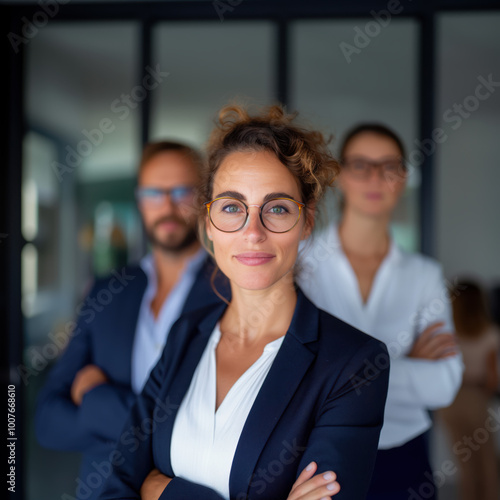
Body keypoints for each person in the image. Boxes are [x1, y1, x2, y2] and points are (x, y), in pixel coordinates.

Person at [98, 105, 390, 500]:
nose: (253, 232)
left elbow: (142, 484)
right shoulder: (187, 332)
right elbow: (117, 485)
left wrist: (161, 490)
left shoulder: (354, 364)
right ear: (207, 225)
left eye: (278, 208)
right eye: (232, 207)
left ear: (306, 222)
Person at [35, 141, 229, 500]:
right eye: (154, 192)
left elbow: (213, 431)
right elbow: (48, 421)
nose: (167, 205)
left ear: (205, 198)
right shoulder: (107, 292)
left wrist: (96, 398)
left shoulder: (229, 291)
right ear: (140, 200)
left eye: (181, 191)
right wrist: (155, 430)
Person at [297, 123, 464, 499]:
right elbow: (292, 373)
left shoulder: (425, 274)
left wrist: (339, 371)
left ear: (403, 177)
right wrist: (404, 361)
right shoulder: (302, 263)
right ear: (339, 176)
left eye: (388, 166)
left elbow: (446, 383)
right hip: (319, 454)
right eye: (361, 165)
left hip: (405, 456)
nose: (375, 177)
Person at [438, 279, 500, 500]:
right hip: (476, 397)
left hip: (451, 400)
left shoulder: (446, 333)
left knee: (465, 465)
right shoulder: (490, 333)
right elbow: (492, 380)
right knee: (487, 463)